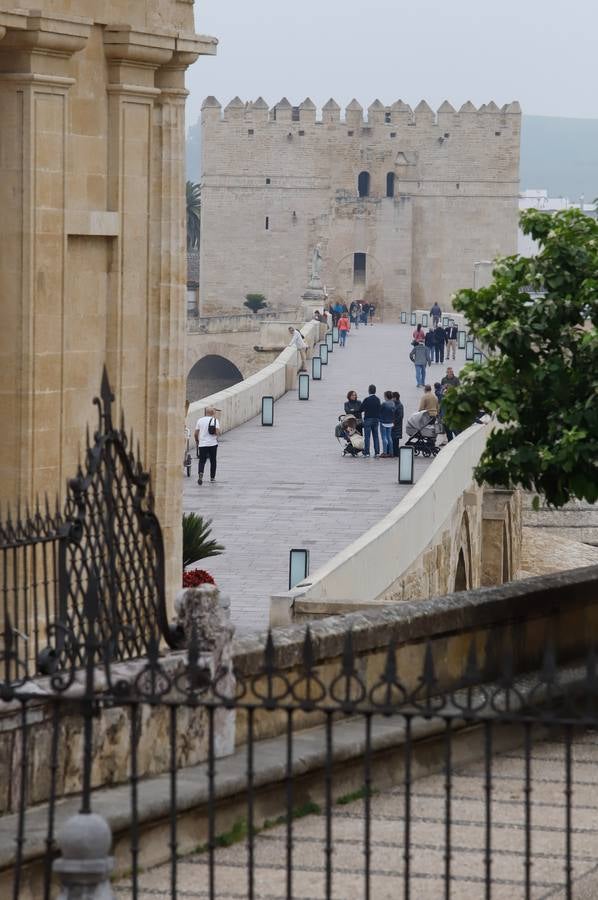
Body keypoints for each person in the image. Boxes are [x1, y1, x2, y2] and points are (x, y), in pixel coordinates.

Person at [194, 406, 221, 485]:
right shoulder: (215, 420)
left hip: (202, 444)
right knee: (213, 460)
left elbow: (196, 433)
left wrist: (197, 440)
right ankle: (212, 477)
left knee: (202, 460)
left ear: (205, 412)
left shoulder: (200, 420)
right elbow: (218, 432)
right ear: (213, 413)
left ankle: (200, 475)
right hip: (213, 444)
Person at [360, 384, 381, 457]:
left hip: (368, 419)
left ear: (369, 390)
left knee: (367, 437)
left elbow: (361, 409)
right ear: (375, 391)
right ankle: (377, 452)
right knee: (376, 436)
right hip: (376, 419)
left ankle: (367, 452)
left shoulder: (366, 399)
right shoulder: (378, 399)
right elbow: (379, 409)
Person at [379, 391, 395, 457]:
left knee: (384, 437)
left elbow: (380, 411)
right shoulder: (393, 403)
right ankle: (391, 452)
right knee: (389, 437)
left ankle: (385, 452)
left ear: (386, 396)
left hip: (383, 422)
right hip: (390, 422)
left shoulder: (384, 404)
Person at [391, 392, 404, 456]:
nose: (391, 399)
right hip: (395, 425)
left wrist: (394, 423)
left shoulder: (399, 405)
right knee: (393, 439)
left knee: (395, 440)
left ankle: (396, 453)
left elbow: (400, 416)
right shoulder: (395, 404)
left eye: (392, 397)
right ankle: (394, 452)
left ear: (395, 398)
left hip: (396, 426)